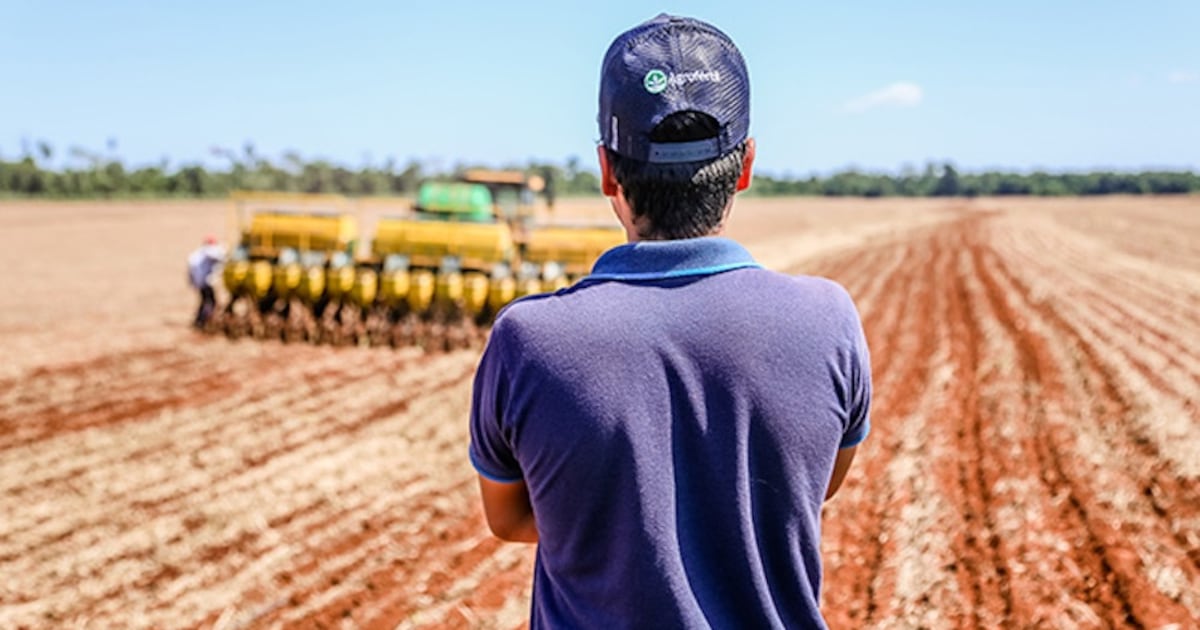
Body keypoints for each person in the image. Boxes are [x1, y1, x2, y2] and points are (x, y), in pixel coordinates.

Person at [468, 14, 871, 629]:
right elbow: (814, 488)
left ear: (608, 171)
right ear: (745, 166)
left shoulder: (528, 341)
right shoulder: (828, 322)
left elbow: (512, 518)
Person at [187, 235, 224, 329]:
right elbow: (220, 257)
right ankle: (203, 321)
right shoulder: (208, 252)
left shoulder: (195, 255)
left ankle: (200, 320)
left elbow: (190, 272)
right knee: (210, 302)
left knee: (204, 301)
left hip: (199, 283)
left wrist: (192, 283)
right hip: (205, 283)